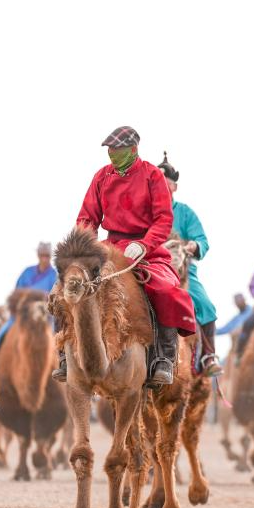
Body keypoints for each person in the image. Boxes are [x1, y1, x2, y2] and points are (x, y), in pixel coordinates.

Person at [56, 125, 196, 387]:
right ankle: (65, 353)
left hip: (148, 249)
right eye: (110, 150)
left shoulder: (152, 176)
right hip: (110, 248)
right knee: (65, 286)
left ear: (133, 149)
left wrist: (144, 244)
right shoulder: (102, 177)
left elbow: (163, 219)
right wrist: (85, 248)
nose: (112, 154)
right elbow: (87, 217)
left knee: (165, 289)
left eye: (117, 149)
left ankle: (164, 358)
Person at [157, 152, 222, 376]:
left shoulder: (185, 213)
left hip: (181, 270)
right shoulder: (145, 212)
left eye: (165, 185)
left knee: (206, 306)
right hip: (150, 268)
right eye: (157, 184)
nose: (161, 189)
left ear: (174, 187)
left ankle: (208, 356)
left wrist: (193, 246)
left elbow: (203, 241)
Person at [0, 242, 58, 353]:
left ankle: (57, 362)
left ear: (50, 257)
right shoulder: (27, 272)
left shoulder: (54, 275)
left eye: (47, 256)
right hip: (24, 310)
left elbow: (56, 296)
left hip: (44, 313)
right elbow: (18, 289)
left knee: (53, 334)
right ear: (38, 255)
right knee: (6, 329)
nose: (44, 259)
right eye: (42, 255)